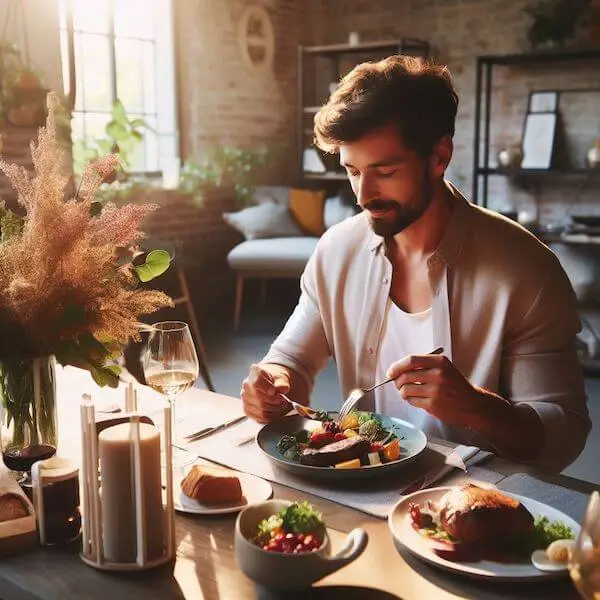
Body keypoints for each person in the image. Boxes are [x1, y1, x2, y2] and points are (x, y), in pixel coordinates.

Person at [240, 55, 590, 471]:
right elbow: (292, 359)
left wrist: (476, 407)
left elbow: (564, 433)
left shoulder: (526, 270)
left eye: (384, 171)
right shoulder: (336, 251)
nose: (363, 194)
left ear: (440, 156)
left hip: (473, 508)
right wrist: (274, 383)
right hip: (358, 489)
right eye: (352, 170)